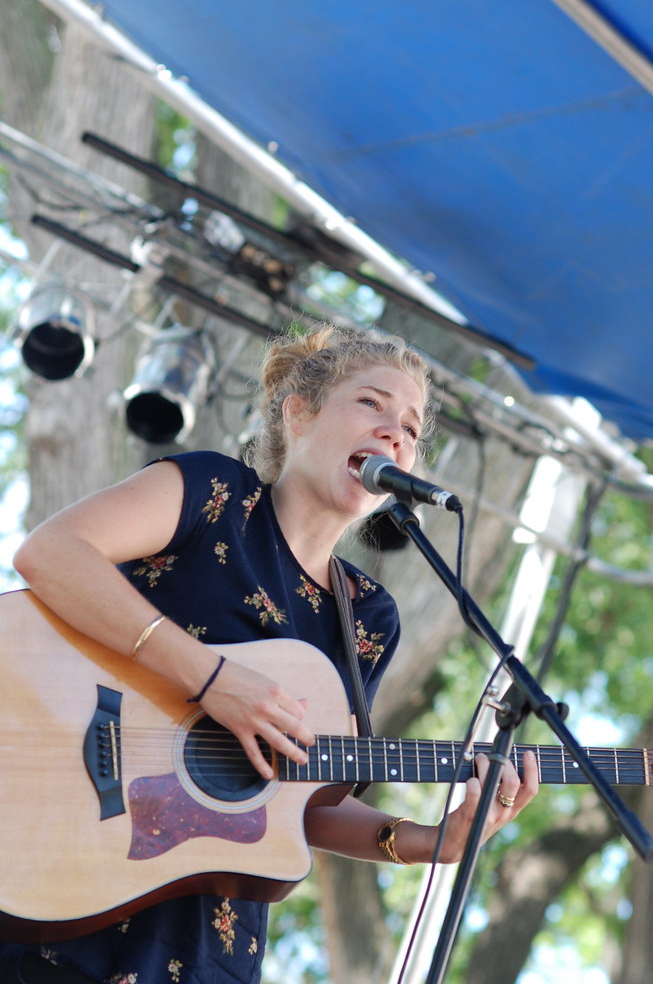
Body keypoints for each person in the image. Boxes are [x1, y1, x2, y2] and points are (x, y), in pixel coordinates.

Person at [1, 324, 538, 984]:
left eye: (410, 425)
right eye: (371, 403)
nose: (395, 431)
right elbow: (50, 552)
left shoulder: (367, 617)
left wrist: (434, 841)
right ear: (299, 412)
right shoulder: (213, 495)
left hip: (200, 946)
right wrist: (211, 678)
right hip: (64, 886)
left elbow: (299, 794)